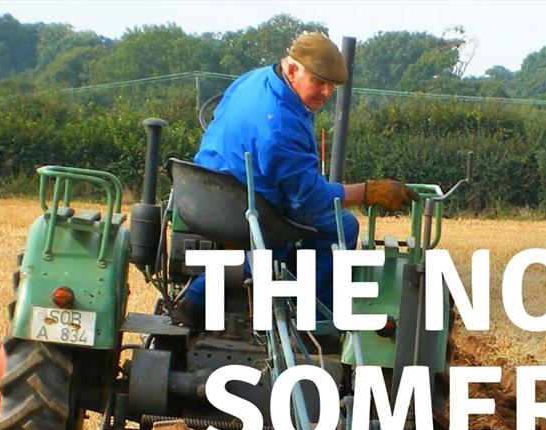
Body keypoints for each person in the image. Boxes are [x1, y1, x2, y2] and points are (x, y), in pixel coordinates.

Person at [175, 32, 415, 325]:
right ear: (292, 69)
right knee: (341, 225)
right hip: (242, 206)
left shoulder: (256, 78)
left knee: (286, 227)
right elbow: (310, 200)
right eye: (319, 81)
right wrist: (367, 192)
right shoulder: (280, 124)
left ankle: (196, 299)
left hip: (202, 191)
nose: (326, 93)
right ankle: (315, 323)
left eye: (332, 86)